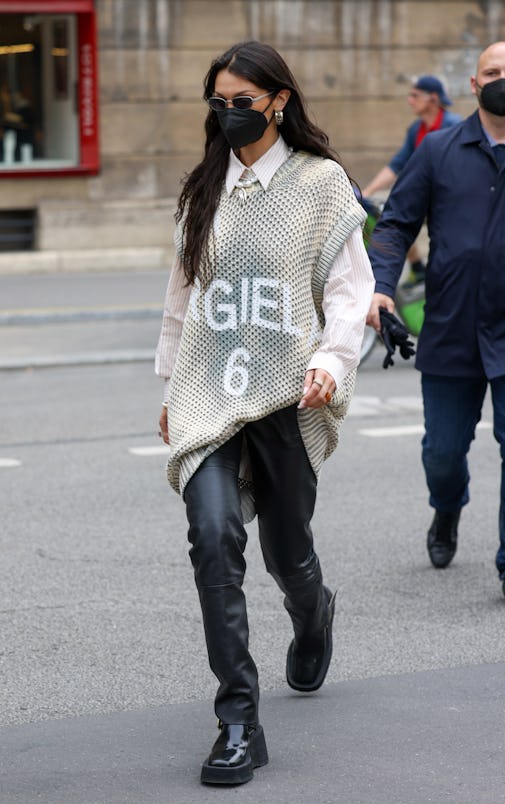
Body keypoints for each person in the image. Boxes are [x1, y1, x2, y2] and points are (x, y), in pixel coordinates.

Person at [155, 40, 374, 785]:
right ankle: (239, 719)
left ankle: (314, 614)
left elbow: (350, 294)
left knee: (287, 554)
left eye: (241, 102)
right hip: (208, 394)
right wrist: (169, 391)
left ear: (278, 100)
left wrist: (329, 362)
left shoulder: (321, 184)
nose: (227, 113)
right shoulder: (203, 188)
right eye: (217, 100)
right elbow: (184, 302)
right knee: (213, 538)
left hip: (286, 394)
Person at [367, 42, 505, 614]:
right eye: (494, 72)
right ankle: (448, 504)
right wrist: (382, 288)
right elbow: (394, 224)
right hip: (450, 327)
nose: (504, 79)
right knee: (442, 451)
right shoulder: (438, 150)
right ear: (473, 82)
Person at [362, 74, 461, 285]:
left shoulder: (455, 126)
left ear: (433, 98)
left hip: (451, 200)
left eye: (415, 96)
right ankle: (417, 266)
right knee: (389, 215)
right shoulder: (416, 129)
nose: (410, 101)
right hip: (425, 198)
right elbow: (395, 166)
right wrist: (367, 194)